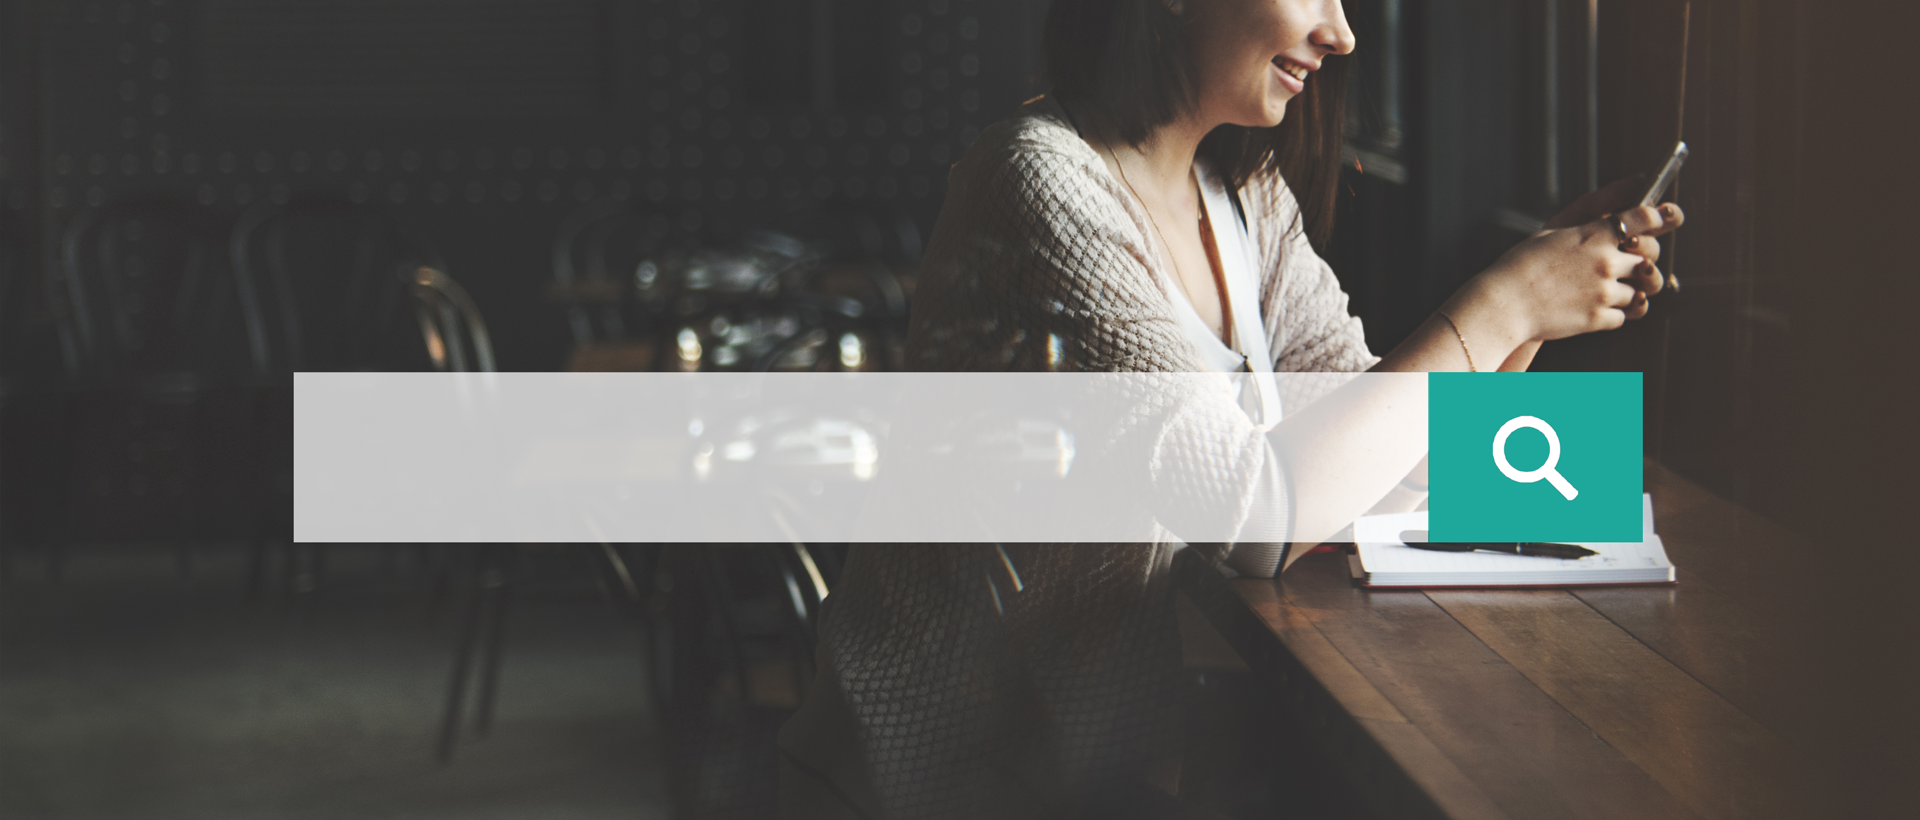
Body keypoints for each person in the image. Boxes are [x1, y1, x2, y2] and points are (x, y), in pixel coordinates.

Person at [777, 2, 1684, 817]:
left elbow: (1382, 475)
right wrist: (1505, 303)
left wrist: (1536, 304)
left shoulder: (1242, 194)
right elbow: (1251, 519)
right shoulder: (1037, 182)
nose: (1343, 32)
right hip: (933, 777)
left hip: (1088, 770)